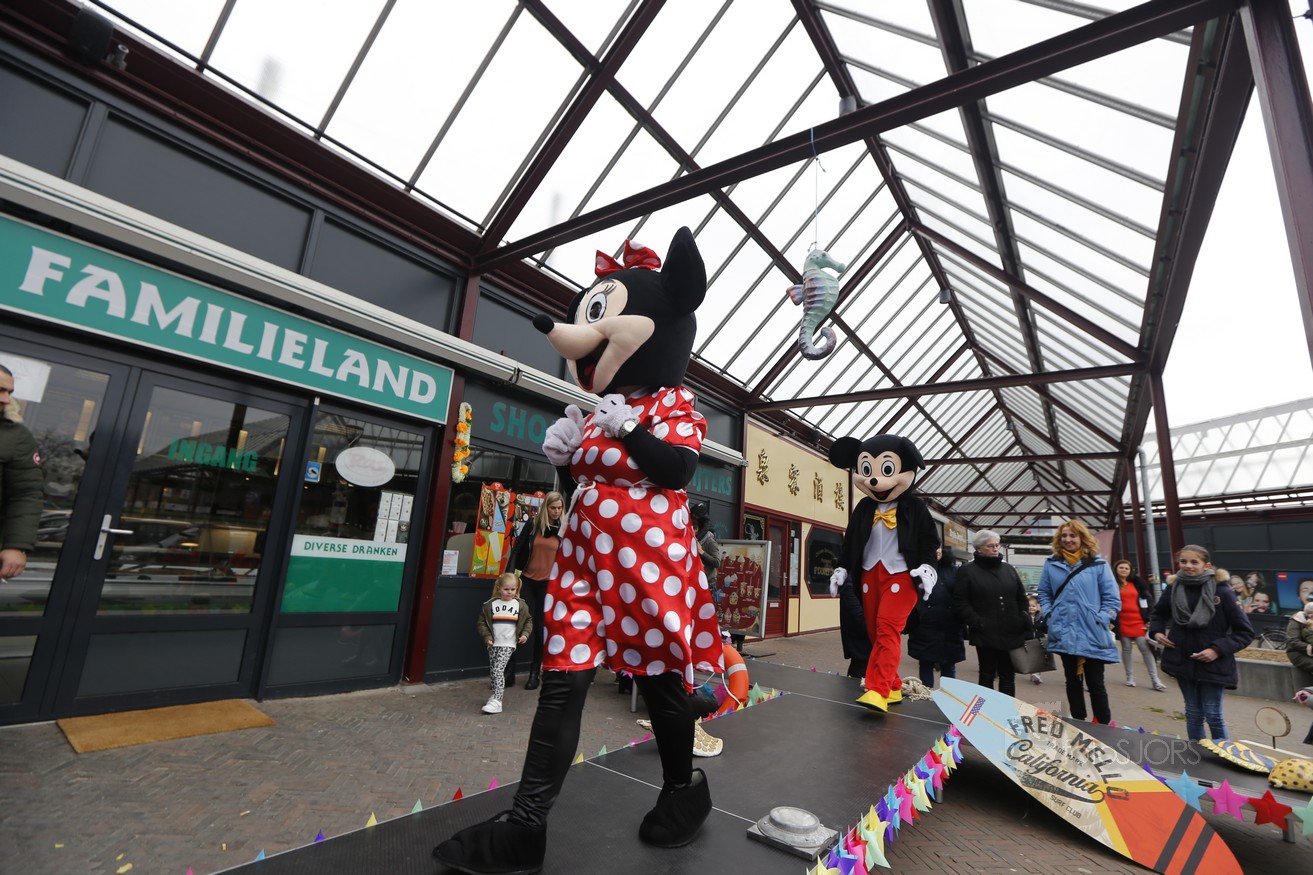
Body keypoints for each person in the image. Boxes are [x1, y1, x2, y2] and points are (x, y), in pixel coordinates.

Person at [434, 228, 722, 872]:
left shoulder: (671, 404)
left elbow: (676, 469)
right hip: (583, 559)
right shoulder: (595, 412)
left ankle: (682, 790)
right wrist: (565, 462)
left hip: (647, 562)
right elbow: (581, 489)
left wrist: (629, 428)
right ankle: (525, 825)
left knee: (660, 679)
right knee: (563, 679)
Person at [1148, 545, 1254, 743]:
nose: (1188, 566)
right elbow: (1158, 614)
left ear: (1207, 565)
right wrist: (1158, 632)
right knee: (1193, 712)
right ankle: (1197, 755)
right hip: (1182, 659)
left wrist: (1216, 650)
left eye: (1194, 562)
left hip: (1213, 663)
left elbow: (1245, 632)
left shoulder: (1223, 591)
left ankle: (1223, 756)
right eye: (1183, 561)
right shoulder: (1173, 587)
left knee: (1213, 714)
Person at [1038, 519, 1120, 725]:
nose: (1068, 539)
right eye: (1064, 536)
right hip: (1063, 630)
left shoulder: (1098, 564)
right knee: (1072, 682)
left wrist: (1102, 617)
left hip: (1092, 631)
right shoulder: (1051, 563)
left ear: (1082, 538)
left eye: (1072, 536)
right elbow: (1044, 593)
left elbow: (1112, 598)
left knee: (1096, 683)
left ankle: (1103, 725)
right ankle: (1078, 722)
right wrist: (1049, 614)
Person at [954, 530, 1029, 696]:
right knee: (986, 675)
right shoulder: (968, 570)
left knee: (1008, 676)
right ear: (979, 548)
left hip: (1011, 630)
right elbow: (960, 600)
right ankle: (982, 709)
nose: (995, 549)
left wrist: (1022, 617)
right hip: (985, 632)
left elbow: (1021, 597)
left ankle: (1007, 709)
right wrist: (977, 622)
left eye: (997, 545)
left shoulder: (1008, 569)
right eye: (990, 546)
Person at [508, 491, 564, 691]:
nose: (556, 511)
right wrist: (509, 576)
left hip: (548, 585)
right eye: (553, 507)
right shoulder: (533, 525)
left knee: (539, 629)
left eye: (559, 508)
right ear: (546, 508)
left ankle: (534, 673)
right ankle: (509, 672)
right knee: (516, 624)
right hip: (527, 581)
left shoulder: (563, 530)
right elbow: (517, 549)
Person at [0, 363, 44, 582]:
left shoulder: (16, 435)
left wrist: (16, 546)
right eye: (0, 390)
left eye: (9, 392)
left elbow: (26, 494)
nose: (6, 399)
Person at [475, 573, 532, 715]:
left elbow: (528, 621)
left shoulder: (520, 605)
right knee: (493, 671)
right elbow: (482, 623)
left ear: (517, 589)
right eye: (506, 589)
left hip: (509, 643)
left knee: (498, 670)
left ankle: (497, 701)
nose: (510, 592)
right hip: (493, 643)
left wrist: (525, 634)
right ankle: (495, 695)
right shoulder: (490, 605)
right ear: (499, 588)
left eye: (513, 589)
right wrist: (487, 637)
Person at [907, 548, 965, 688]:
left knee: (949, 664)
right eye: (932, 548)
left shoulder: (954, 570)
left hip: (950, 625)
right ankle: (926, 694)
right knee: (925, 662)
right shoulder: (918, 570)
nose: (936, 551)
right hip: (925, 625)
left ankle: (949, 695)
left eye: (938, 547)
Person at [1114, 558, 1165, 691]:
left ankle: (1155, 680)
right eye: (1121, 567)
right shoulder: (1111, 583)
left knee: (1144, 647)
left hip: (1138, 620)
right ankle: (1130, 677)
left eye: (1126, 568)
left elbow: (1148, 599)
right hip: (1122, 621)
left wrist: (1149, 618)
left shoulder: (1137, 583)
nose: (1124, 570)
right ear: (1116, 569)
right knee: (1126, 648)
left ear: (1130, 570)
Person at [1286, 600, 1313, 678]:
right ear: (1310, 615)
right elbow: (1293, 641)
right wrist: (1310, 648)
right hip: (1297, 654)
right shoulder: (1296, 621)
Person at [1026, 595, 1044, 684]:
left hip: (1039, 641)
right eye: (1029, 606)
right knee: (1031, 658)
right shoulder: (1025, 617)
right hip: (1028, 641)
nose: (1031, 608)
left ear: (1037, 607)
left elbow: (1045, 628)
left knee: (1039, 658)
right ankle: (1033, 673)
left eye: (1033, 606)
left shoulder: (1041, 618)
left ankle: (1037, 675)